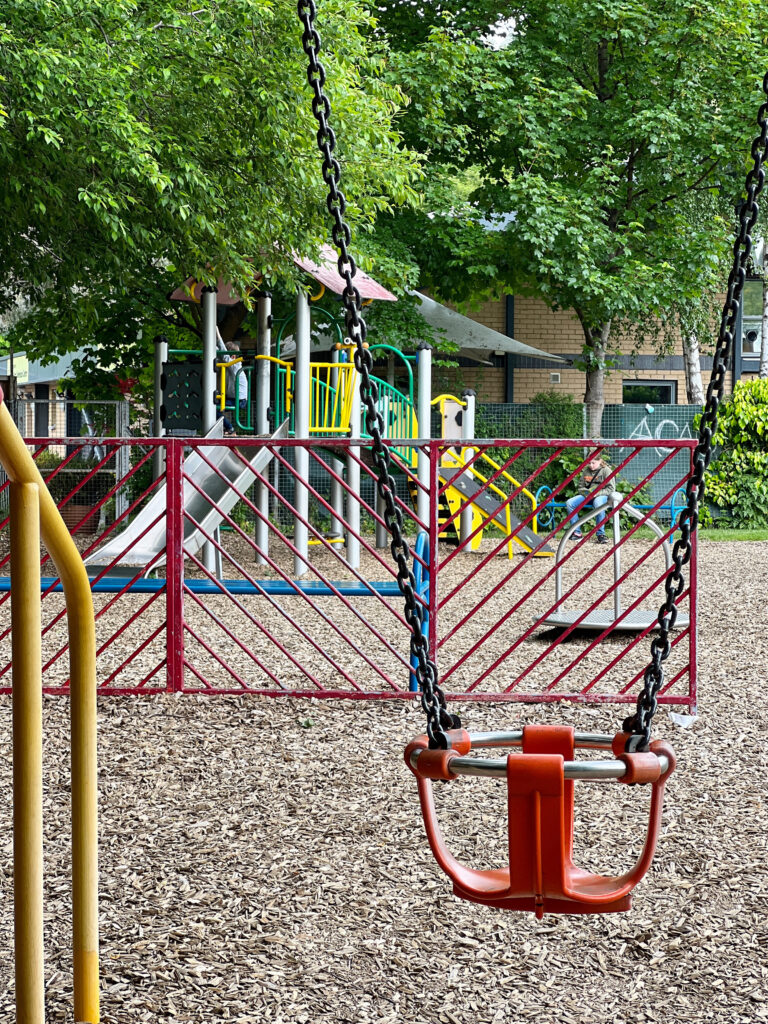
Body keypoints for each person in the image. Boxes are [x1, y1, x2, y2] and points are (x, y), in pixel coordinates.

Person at [565, 455, 612, 544]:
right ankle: (577, 532)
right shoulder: (586, 471)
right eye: (589, 463)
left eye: (593, 463)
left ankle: (601, 534)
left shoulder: (606, 471)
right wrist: (587, 493)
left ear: (600, 461)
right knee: (570, 503)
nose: (591, 465)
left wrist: (596, 493)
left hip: (603, 496)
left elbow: (611, 489)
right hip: (588, 495)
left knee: (598, 503)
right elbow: (580, 487)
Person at [223, 340, 249, 435]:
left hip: (239, 400)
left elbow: (225, 357)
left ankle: (230, 429)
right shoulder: (229, 368)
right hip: (233, 397)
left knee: (213, 408)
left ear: (233, 357)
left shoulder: (234, 366)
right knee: (212, 405)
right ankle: (226, 428)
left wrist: (217, 335)